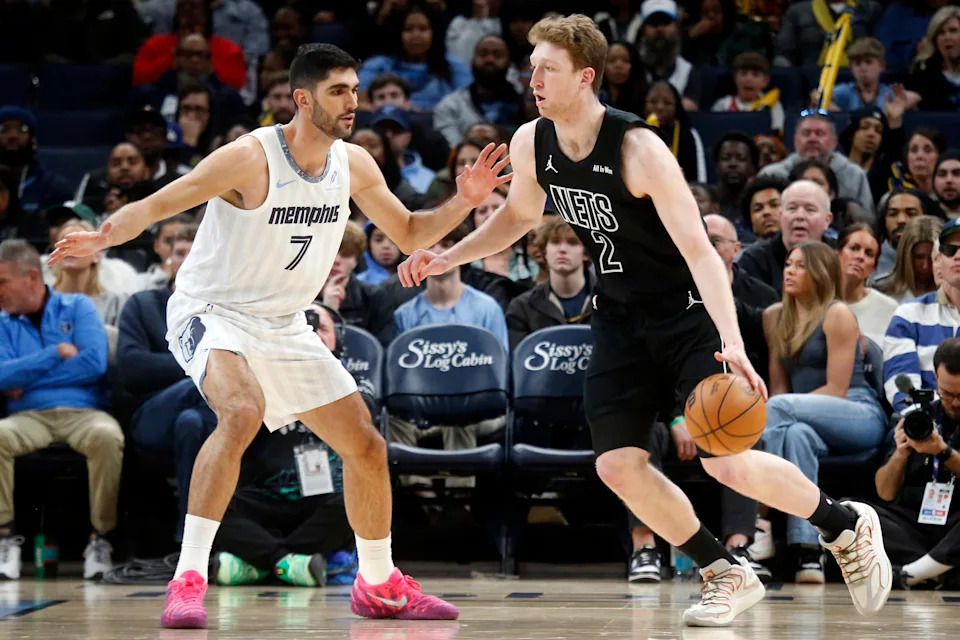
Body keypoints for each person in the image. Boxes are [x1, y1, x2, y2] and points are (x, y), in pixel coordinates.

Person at [398, 14, 892, 627]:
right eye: (532, 68)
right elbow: (519, 216)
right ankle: (724, 573)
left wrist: (734, 345)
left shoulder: (638, 149)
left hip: (688, 317)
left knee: (723, 457)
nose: (534, 79)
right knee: (617, 465)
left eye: (546, 68)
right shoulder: (533, 141)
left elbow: (701, 252)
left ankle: (844, 527)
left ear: (585, 77)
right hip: (620, 320)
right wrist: (446, 254)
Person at [51, 43, 512, 629]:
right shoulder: (249, 157)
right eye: (339, 92)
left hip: (285, 321)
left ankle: (378, 582)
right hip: (213, 309)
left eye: (354, 89)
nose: (353, 103)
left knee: (366, 445)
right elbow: (158, 204)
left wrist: (464, 202)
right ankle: (188, 578)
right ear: (302, 98)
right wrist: (103, 236)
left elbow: (412, 230)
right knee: (242, 412)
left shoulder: (355, 164)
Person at [761, 241, 888, 583]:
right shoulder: (774, 317)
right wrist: (784, 412)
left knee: (777, 411)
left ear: (818, 273)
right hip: (801, 418)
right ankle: (809, 553)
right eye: (788, 263)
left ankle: (758, 516)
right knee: (795, 434)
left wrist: (784, 409)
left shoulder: (837, 314)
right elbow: (779, 389)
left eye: (800, 266)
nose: (790, 270)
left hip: (857, 413)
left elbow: (836, 389)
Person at [0, 240, 123, 581]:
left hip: (83, 412)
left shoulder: (78, 306)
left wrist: (27, 377)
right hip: (29, 417)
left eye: (2, 282)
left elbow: (94, 364)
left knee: (107, 436)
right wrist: (54, 353)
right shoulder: (2, 320)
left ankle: (100, 538)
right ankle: (4, 538)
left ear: (30, 278)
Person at [874, 338, 960, 589]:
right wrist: (900, 455)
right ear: (934, 377)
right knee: (853, 512)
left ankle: (912, 573)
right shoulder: (917, 418)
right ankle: (940, 569)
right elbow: (884, 493)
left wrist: (942, 451)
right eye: (947, 393)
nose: (955, 402)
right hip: (915, 525)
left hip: (956, 522)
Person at [836, 223, 898, 346]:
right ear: (837, 253)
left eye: (869, 254)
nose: (860, 257)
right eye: (854, 248)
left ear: (874, 267)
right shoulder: (814, 300)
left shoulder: (890, 309)